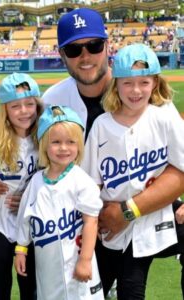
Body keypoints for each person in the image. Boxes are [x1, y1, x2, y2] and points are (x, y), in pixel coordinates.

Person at [41, 8, 184, 297]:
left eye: (93, 45)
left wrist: (128, 211)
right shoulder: (51, 102)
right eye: (74, 49)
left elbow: (178, 168)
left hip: (148, 207)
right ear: (61, 54)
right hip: (91, 219)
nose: (85, 56)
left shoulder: (156, 104)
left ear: (108, 46)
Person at [83, 43, 184, 299]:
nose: (136, 90)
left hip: (158, 214)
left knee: (130, 283)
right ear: (115, 84)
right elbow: (91, 183)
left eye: (144, 82)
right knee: (120, 288)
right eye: (127, 83)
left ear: (155, 83)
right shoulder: (102, 125)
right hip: (116, 225)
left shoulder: (163, 114)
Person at [14, 105, 104, 300]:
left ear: (79, 145)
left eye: (71, 142)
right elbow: (24, 219)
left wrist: (85, 260)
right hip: (47, 265)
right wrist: (21, 249)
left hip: (76, 262)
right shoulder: (37, 181)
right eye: (56, 142)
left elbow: (91, 222)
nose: (63, 148)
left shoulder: (82, 181)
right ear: (44, 144)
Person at [0, 72, 43, 300]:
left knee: (27, 267)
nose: (24, 111)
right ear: (5, 109)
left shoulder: (44, 136)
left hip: (27, 213)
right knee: (3, 258)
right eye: (15, 106)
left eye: (29, 104)